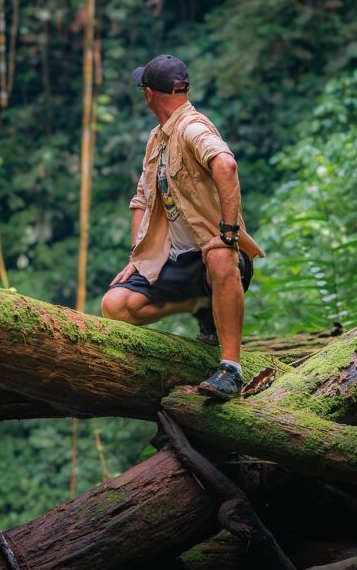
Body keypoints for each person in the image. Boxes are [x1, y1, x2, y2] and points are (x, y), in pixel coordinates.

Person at [100, 54, 263, 401]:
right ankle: (197, 306)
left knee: (219, 254)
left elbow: (227, 165)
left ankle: (231, 368)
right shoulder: (157, 138)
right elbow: (142, 200)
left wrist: (229, 234)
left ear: (148, 93)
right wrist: (138, 257)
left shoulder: (192, 127)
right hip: (173, 260)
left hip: (215, 261)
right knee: (115, 305)